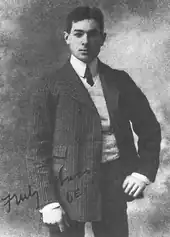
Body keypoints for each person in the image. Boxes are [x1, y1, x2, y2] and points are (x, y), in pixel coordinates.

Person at [34, 6, 161, 237]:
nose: (85, 41)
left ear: (102, 38)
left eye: (92, 34)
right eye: (78, 33)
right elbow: (37, 149)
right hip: (68, 187)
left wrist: (142, 172)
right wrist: (48, 201)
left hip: (112, 182)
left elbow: (149, 128)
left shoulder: (119, 80)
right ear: (67, 38)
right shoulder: (50, 85)